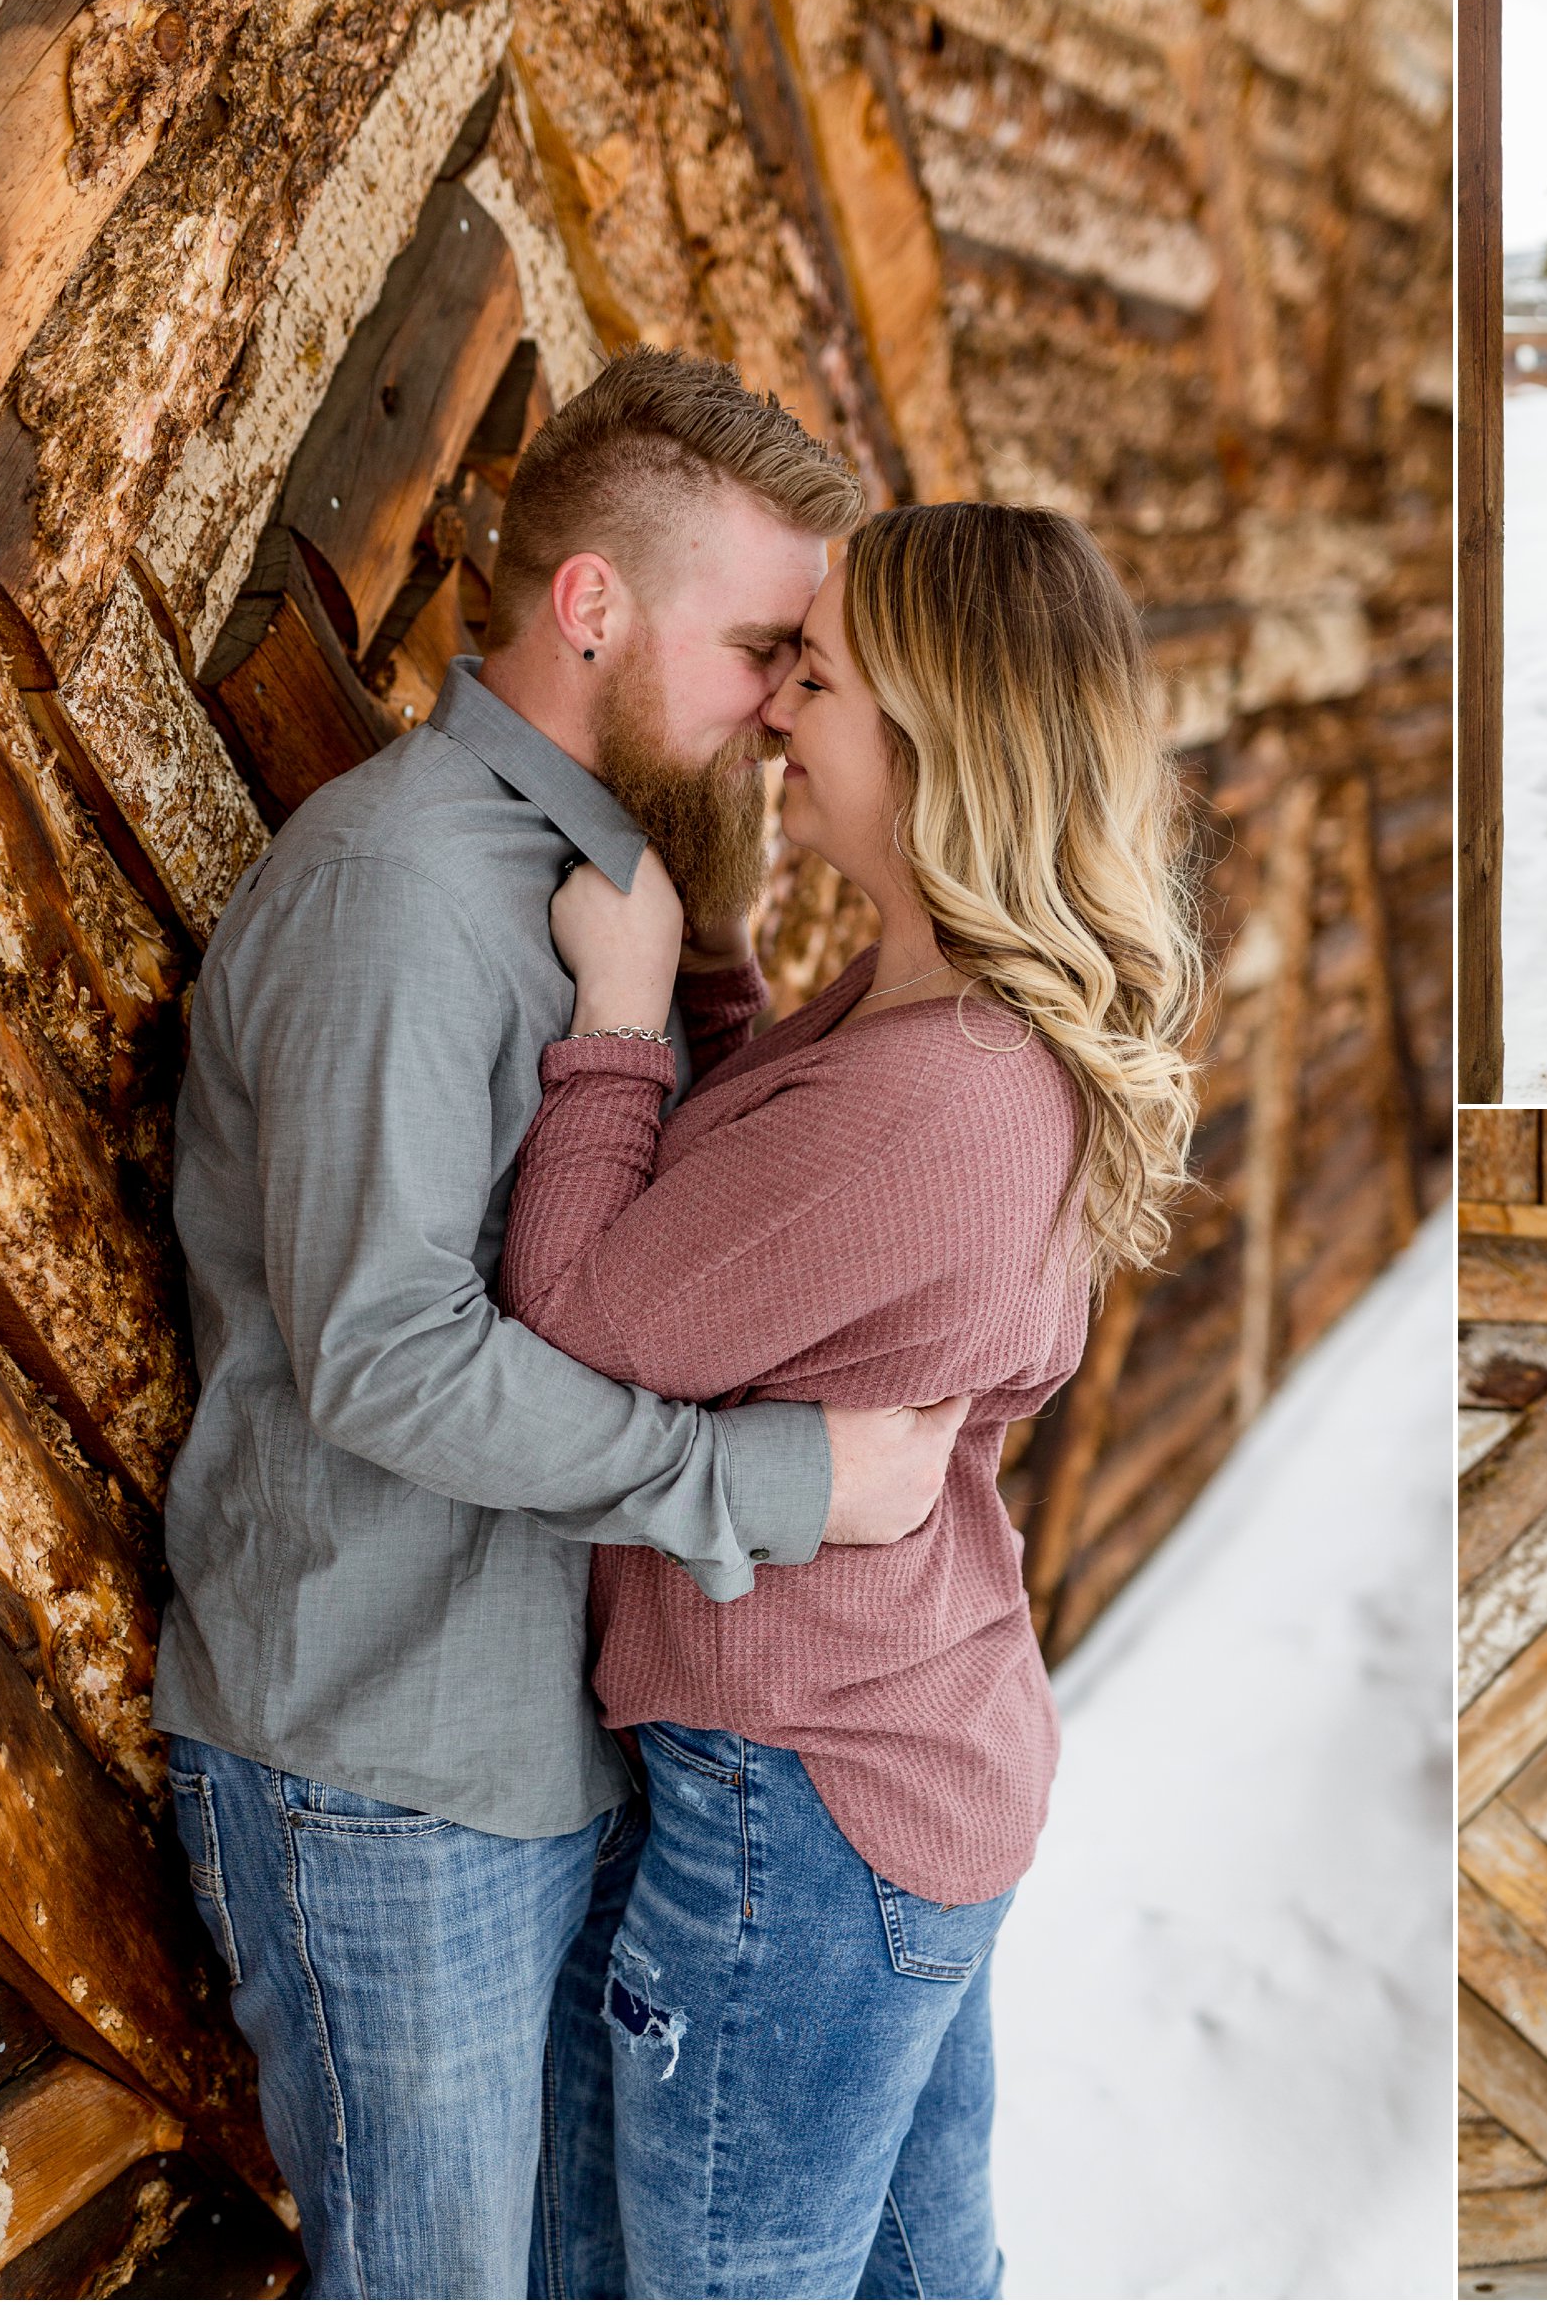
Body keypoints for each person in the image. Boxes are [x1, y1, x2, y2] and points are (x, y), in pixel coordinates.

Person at [153, 350, 975, 2300]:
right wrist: (771, 1482)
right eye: (762, 643)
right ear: (592, 604)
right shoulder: (400, 896)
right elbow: (389, 1357)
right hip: (384, 1774)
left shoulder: (608, 873)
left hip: (555, 1753)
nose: (784, 699)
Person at [502, 500, 1207, 2299]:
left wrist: (619, 1010)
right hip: (885, 1772)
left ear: (934, 736)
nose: (768, 715)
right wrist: (723, 970)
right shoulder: (930, 1020)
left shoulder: (938, 1095)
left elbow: (582, 1310)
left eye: (811, 678)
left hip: (794, 1812)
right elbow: (773, 1212)